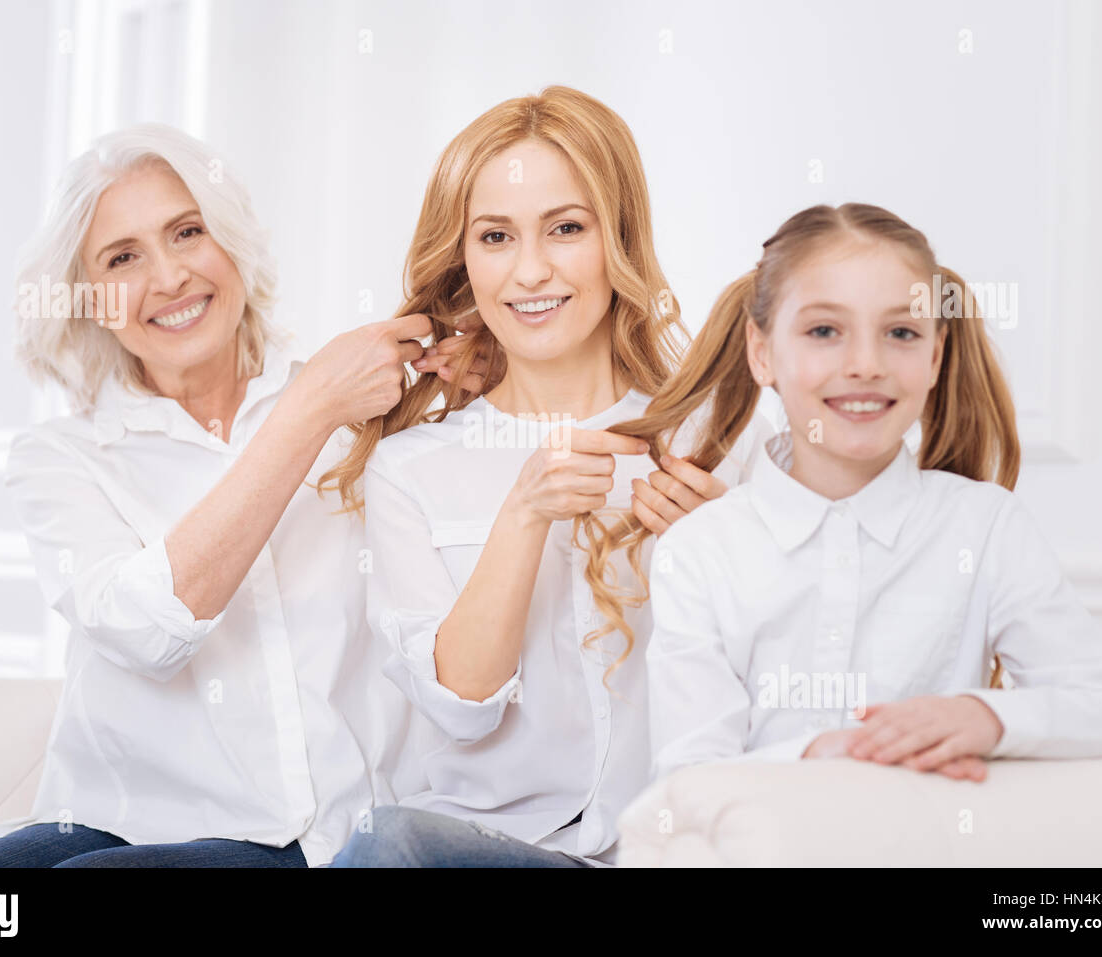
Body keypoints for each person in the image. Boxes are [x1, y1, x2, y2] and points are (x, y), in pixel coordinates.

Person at [0, 123, 487, 868]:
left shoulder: (362, 408)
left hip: (302, 838)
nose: (168, 278)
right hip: (106, 822)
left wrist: (483, 385)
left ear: (232, 244)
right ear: (89, 297)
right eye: (123, 257)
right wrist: (309, 408)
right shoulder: (60, 460)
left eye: (187, 232)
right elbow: (145, 627)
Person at [327, 87, 776, 868]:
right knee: (385, 840)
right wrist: (524, 514)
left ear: (619, 238)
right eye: (496, 236)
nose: (530, 271)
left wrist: (727, 548)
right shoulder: (412, 469)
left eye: (566, 228)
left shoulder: (721, 439)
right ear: (464, 259)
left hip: (669, 850)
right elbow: (459, 707)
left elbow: (798, 689)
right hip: (488, 852)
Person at [636, 203, 1102, 786]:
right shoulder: (702, 549)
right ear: (762, 352)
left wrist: (983, 715)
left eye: (900, 333)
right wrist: (820, 755)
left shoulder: (986, 527)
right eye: (824, 331)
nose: (865, 365)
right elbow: (688, 778)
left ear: (934, 355)